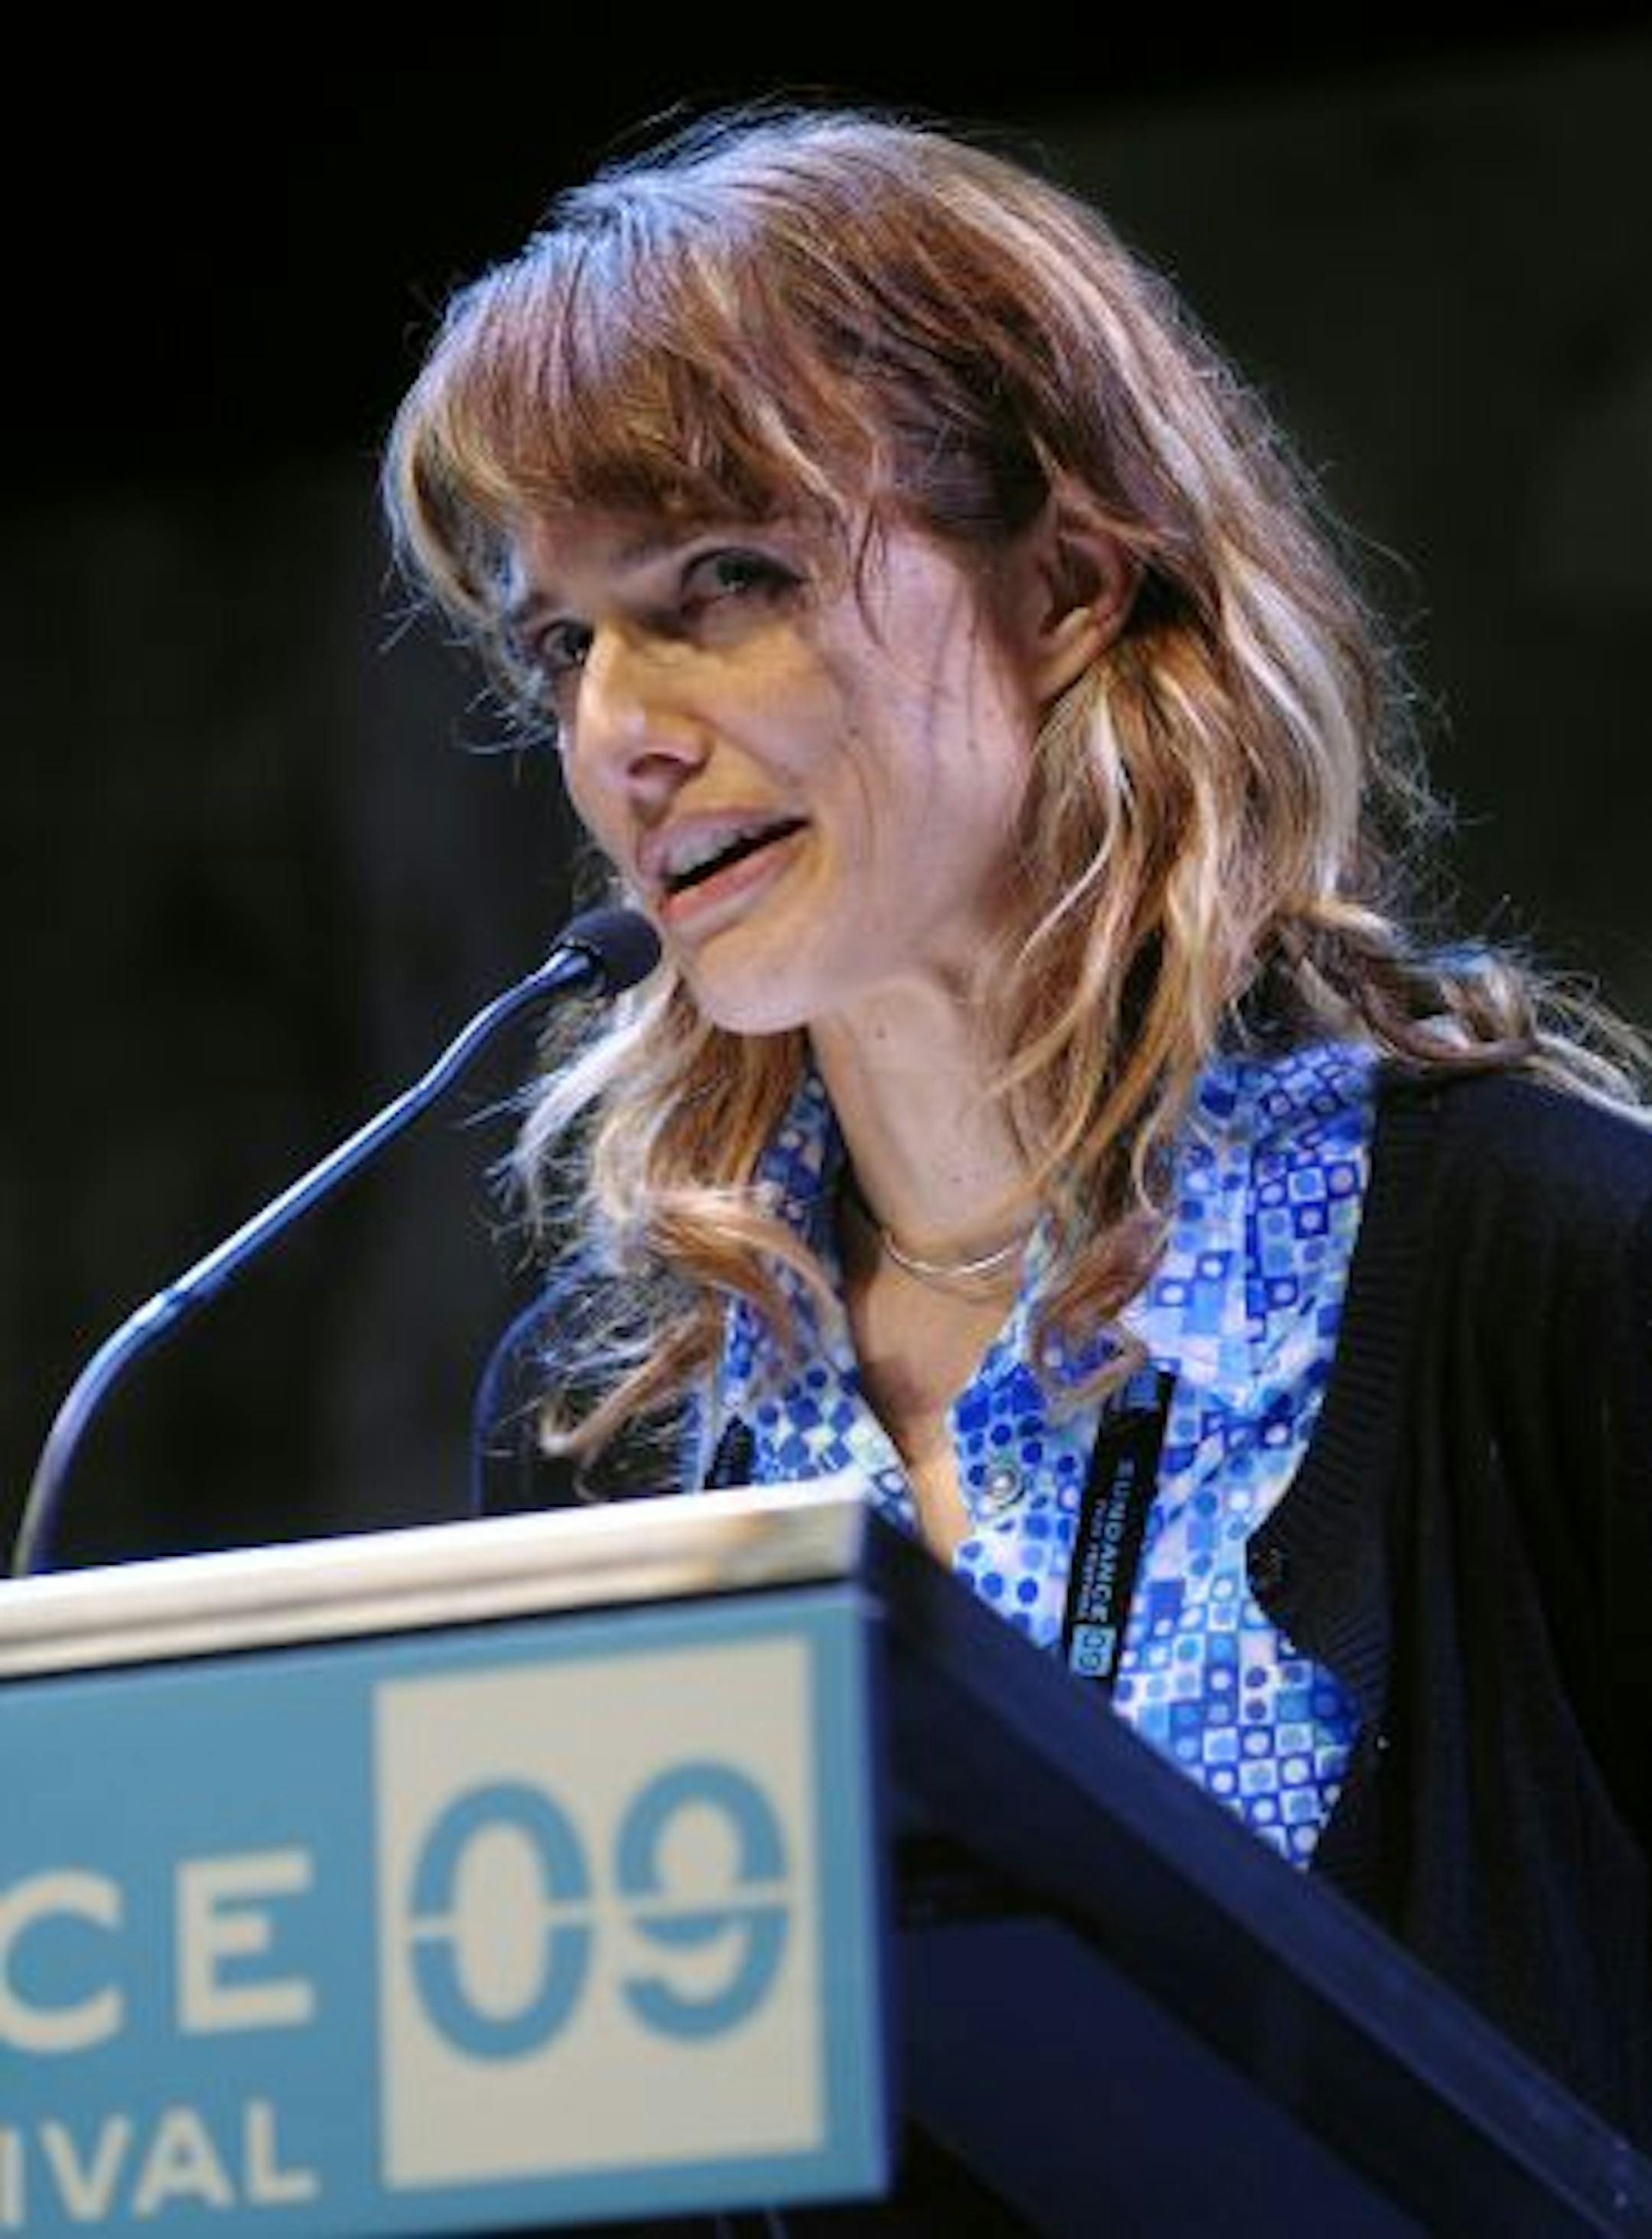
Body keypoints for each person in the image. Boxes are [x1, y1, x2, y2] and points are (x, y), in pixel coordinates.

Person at [381, 97, 1652, 2169]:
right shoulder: (611, 1428)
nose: (621, 728)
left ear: (1066, 583)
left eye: (724, 579)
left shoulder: (1545, 1263)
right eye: (562, 641)